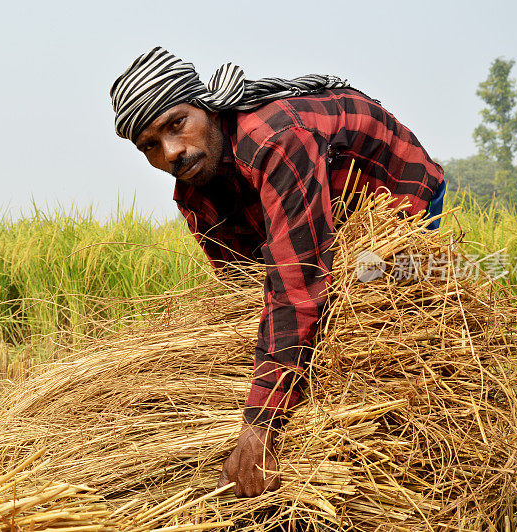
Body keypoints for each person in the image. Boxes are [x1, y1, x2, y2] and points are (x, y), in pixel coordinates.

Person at [110, 47, 446, 498]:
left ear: (205, 108)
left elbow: (297, 283)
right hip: (318, 206)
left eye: (176, 124)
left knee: (381, 302)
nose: (171, 152)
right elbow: (248, 288)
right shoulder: (195, 193)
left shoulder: (276, 139)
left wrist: (260, 425)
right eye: (150, 145)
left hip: (393, 192)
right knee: (301, 313)